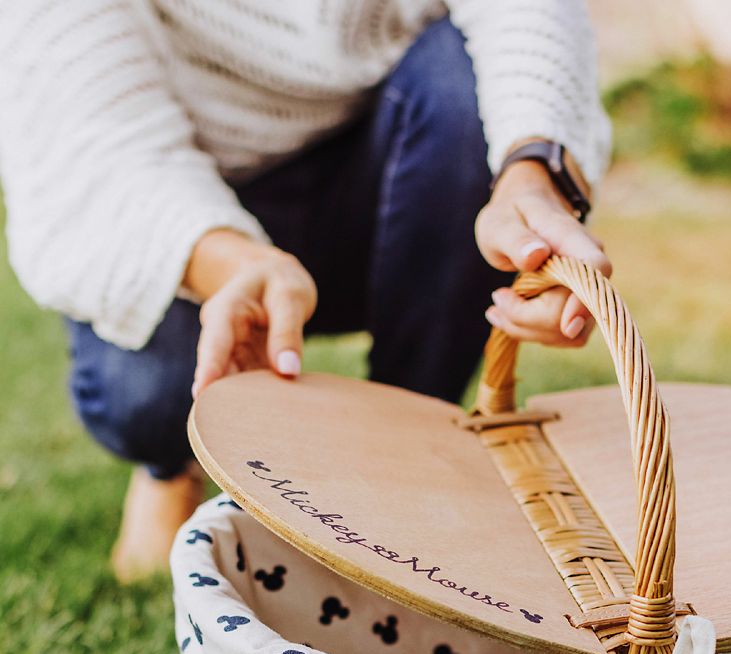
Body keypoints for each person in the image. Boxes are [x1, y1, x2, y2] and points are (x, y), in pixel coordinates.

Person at [0, 1, 612, 581]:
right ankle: (168, 464)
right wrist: (228, 262)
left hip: (387, 147)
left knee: (463, 84)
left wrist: (530, 174)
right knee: (146, 400)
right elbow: (93, 129)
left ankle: (402, 466)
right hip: (179, 179)